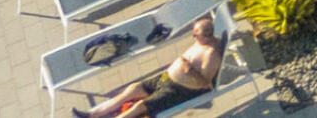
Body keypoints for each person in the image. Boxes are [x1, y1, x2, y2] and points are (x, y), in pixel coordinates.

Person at [76, 17, 224, 117]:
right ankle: (91, 114)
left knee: (140, 106)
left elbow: (205, 84)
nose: (193, 38)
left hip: (180, 90)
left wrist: (189, 70)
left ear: (206, 35)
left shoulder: (211, 54)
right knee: (132, 89)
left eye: (195, 35)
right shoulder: (201, 42)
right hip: (166, 78)